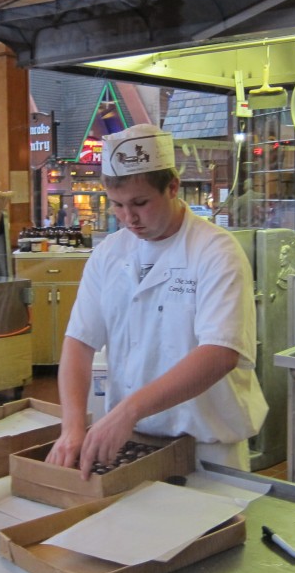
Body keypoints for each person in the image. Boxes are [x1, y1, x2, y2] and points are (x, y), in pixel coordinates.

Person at [46, 124, 267, 478]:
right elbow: (79, 342)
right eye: (117, 205)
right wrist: (72, 426)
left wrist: (129, 409)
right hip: (134, 444)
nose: (128, 218)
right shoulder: (109, 254)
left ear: (173, 187)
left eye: (140, 203)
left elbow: (220, 353)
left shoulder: (215, 251)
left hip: (207, 452)